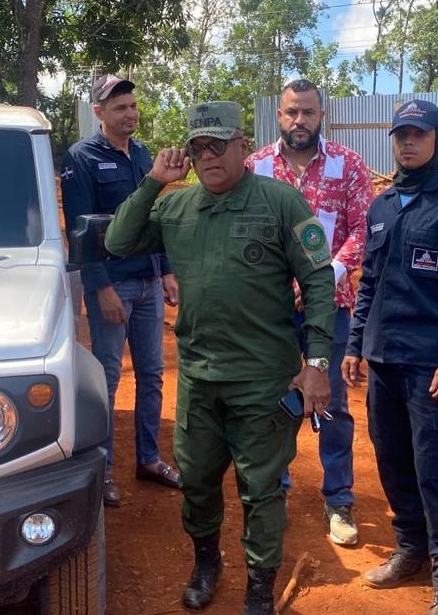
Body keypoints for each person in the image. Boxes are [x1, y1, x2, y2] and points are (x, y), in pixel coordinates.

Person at [104, 101, 336, 615]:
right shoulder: (175, 207)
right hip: (200, 380)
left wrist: (316, 363)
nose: (206, 156)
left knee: (261, 490)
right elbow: (118, 241)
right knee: (200, 482)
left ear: (240, 147)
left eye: (216, 145)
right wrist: (151, 183)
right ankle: (207, 563)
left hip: (263, 382)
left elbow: (320, 277)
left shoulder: (280, 202)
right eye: (197, 148)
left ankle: (259, 587)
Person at [342, 99, 438, 615]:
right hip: (383, 359)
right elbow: (370, 282)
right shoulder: (381, 207)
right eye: (401, 134)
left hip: (431, 366)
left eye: (418, 134)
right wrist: (355, 343)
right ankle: (410, 548)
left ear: (437, 141)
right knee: (392, 460)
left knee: (436, 468)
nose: (407, 143)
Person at [249, 78, 373, 547]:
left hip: (331, 308)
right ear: (279, 116)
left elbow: (363, 229)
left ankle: (339, 498)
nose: (299, 121)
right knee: (274, 399)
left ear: (323, 116)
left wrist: (328, 275)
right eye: (291, 113)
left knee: (332, 402)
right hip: (272, 311)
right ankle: (276, 489)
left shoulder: (349, 166)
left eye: (308, 113)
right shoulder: (256, 167)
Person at [60, 74, 181, 507]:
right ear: (99, 113)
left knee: (152, 376)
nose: (129, 114)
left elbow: (155, 216)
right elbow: (80, 231)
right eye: (118, 108)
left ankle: (149, 458)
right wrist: (102, 289)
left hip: (148, 281)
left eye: (132, 106)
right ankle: (104, 468)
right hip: (113, 285)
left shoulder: (144, 154)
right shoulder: (81, 157)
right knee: (108, 379)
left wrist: (165, 269)